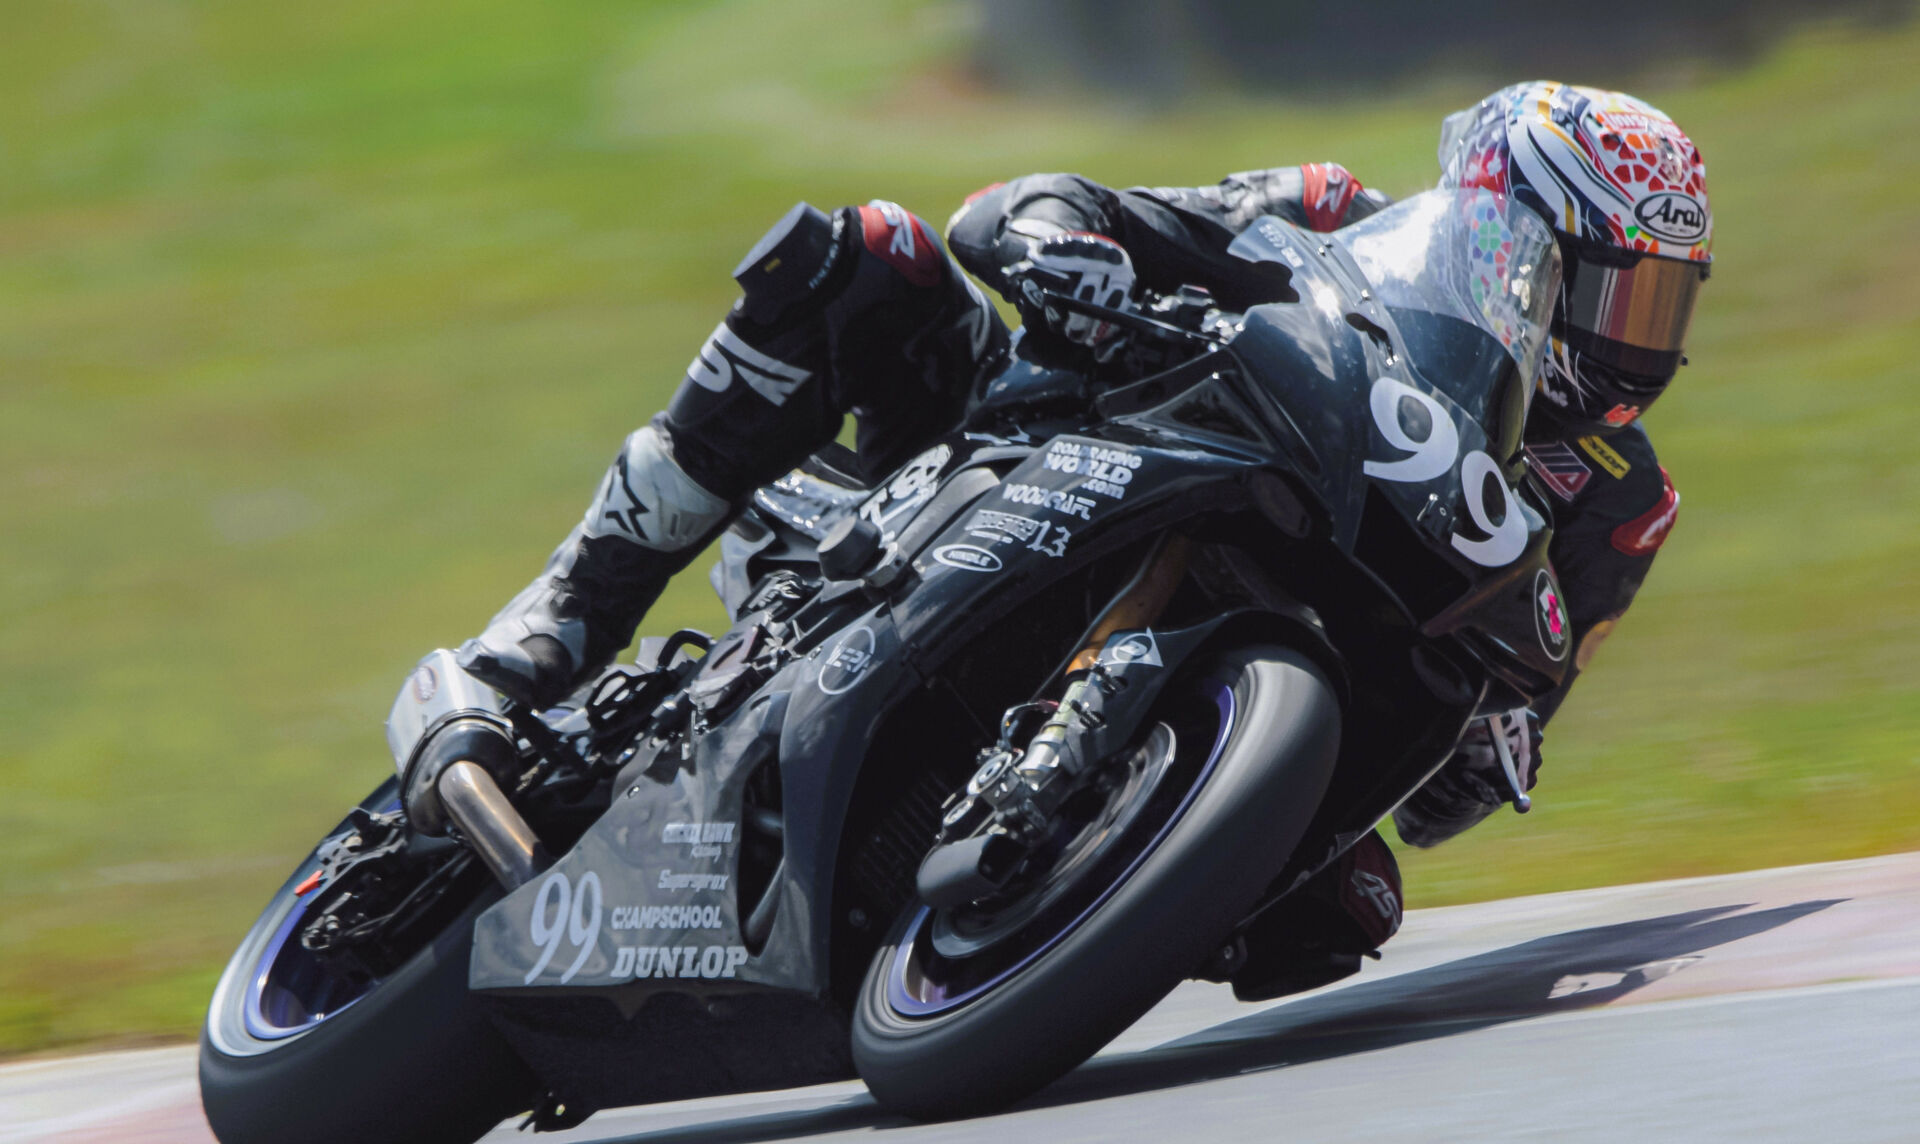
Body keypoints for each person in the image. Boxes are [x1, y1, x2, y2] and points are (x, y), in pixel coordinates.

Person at [445, 81, 1711, 991]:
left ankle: (1065, 875)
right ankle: (546, 631)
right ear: (1515, 239)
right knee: (876, 257)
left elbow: (1466, 783)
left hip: (1272, 664)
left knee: (1345, 910)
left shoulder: (1617, 503)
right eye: (1616, 288)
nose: (1636, 336)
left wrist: (1492, 737)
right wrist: (1068, 245)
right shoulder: (1334, 216)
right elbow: (1101, 212)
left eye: (1666, 299)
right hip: (1028, 444)